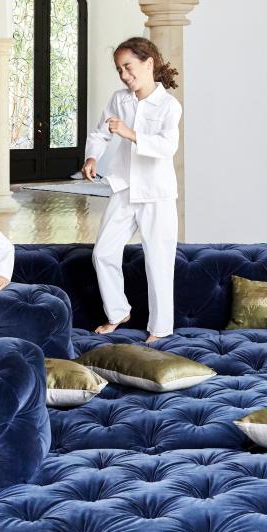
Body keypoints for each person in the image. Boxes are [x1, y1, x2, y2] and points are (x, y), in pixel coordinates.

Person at [82, 37, 181, 342]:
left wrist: (131, 133)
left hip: (157, 193)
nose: (124, 75)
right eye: (119, 70)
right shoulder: (119, 99)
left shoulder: (169, 105)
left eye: (128, 67)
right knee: (103, 253)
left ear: (148, 63)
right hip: (124, 189)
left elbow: (167, 147)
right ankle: (118, 311)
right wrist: (92, 156)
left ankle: (160, 329)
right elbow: (100, 132)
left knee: (158, 260)